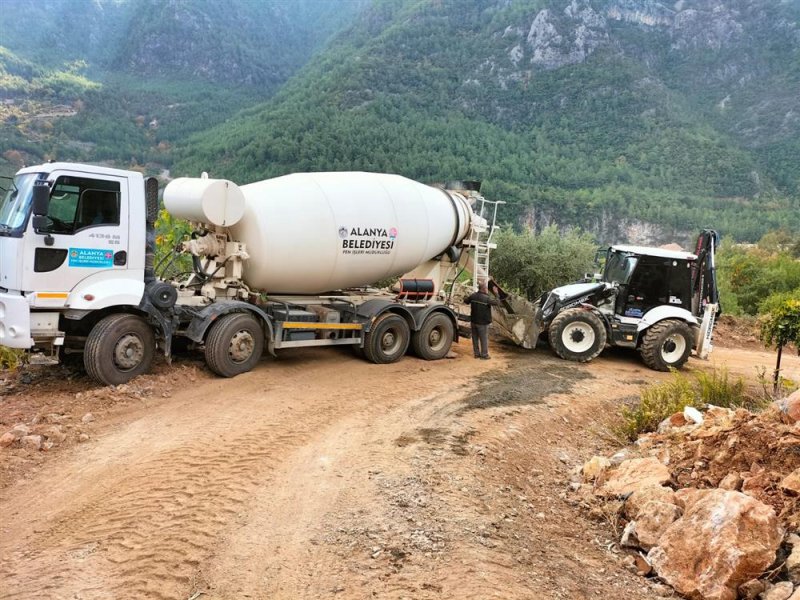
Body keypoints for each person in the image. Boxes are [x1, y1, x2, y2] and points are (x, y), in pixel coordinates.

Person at [465, 279, 498, 359]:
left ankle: (476, 354)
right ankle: (484, 355)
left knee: (475, 338)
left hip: (473, 321)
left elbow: (466, 301)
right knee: (483, 339)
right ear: (484, 289)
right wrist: (496, 293)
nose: (487, 290)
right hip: (482, 323)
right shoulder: (486, 299)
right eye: (486, 288)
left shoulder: (473, 296)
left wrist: (467, 296)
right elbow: (497, 302)